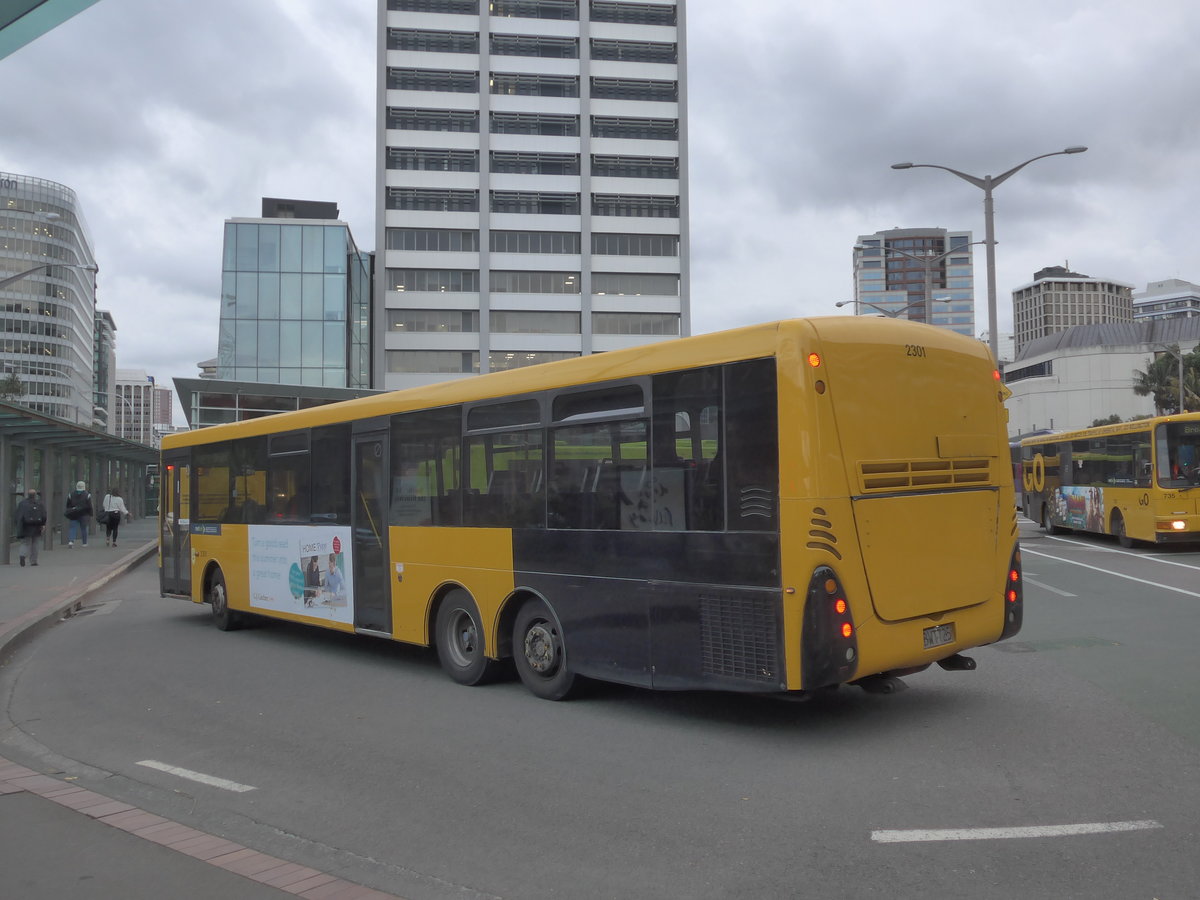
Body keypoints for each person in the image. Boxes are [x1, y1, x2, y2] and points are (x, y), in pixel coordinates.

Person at [14, 488, 47, 567]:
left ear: (28, 495)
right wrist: (43, 524)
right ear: (35, 495)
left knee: (25, 543)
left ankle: (22, 555)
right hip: (37, 526)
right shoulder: (39, 503)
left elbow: (18, 516)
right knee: (35, 543)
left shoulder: (22, 504)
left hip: (25, 526)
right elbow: (44, 515)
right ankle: (33, 561)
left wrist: (18, 525)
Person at [64, 480, 93, 547]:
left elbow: (68, 504)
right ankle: (84, 543)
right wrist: (90, 513)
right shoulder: (87, 495)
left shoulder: (71, 494)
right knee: (83, 528)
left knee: (72, 528)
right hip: (84, 513)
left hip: (74, 513)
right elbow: (89, 505)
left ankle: (71, 541)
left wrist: (70, 509)